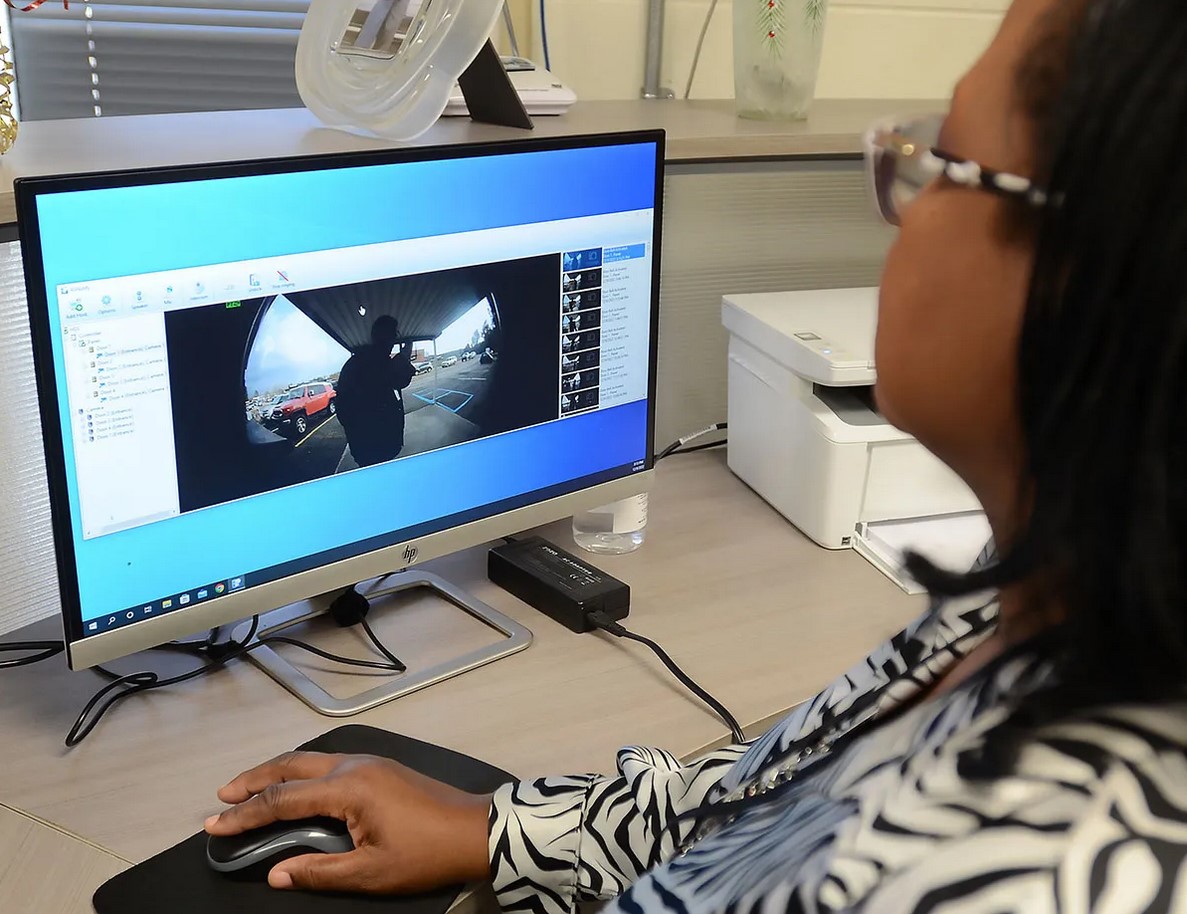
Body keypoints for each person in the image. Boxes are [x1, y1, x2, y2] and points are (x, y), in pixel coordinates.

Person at [205, 0, 1187, 908]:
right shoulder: (1050, 596)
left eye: (945, 157)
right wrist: (496, 828)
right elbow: (763, 793)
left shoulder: (1038, 878)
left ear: (1117, 266)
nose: (900, 199)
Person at [334, 315, 415, 468]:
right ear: (383, 336)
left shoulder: (358, 361)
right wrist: (404, 356)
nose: (393, 340)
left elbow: (343, 411)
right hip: (378, 445)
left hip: (366, 447)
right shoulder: (377, 362)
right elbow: (399, 380)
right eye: (392, 335)